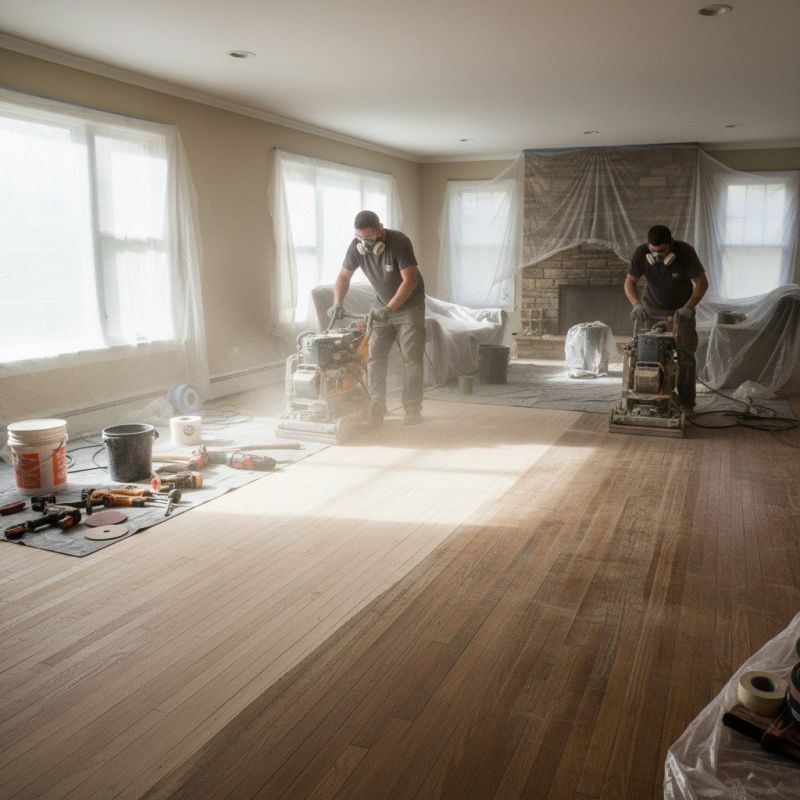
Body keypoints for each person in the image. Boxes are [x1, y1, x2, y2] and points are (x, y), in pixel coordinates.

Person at [328, 210, 426, 425]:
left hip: (409, 307)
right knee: (374, 358)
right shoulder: (356, 248)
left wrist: (390, 309)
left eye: (370, 237)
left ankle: (412, 409)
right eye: (360, 238)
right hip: (381, 306)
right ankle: (377, 405)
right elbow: (343, 277)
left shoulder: (399, 242)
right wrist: (337, 303)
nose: (366, 243)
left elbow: (410, 281)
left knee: (411, 359)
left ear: (380, 229)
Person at [624, 225, 709, 414]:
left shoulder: (685, 252)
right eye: (653, 251)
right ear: (648, 246)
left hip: (682, 311)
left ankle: (686, 403)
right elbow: (629, 282)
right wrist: (636, 304)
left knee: (685, 356)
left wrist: (689, 307)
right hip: (652, 309)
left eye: (661, 251)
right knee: (647, 353)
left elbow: (702, 283)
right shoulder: (641, 253)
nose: (656, 256)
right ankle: (652, 397)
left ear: (671, 244)